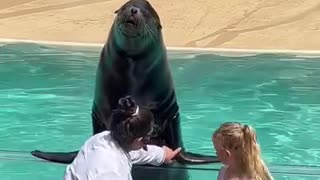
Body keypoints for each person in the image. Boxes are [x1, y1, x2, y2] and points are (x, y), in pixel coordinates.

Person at [64, 95, 181, 180]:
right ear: (137, 139)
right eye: (147, 139)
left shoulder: (99, 139)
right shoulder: (112, 172)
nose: (146, 144)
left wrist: (163, 154)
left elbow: (133, 153)